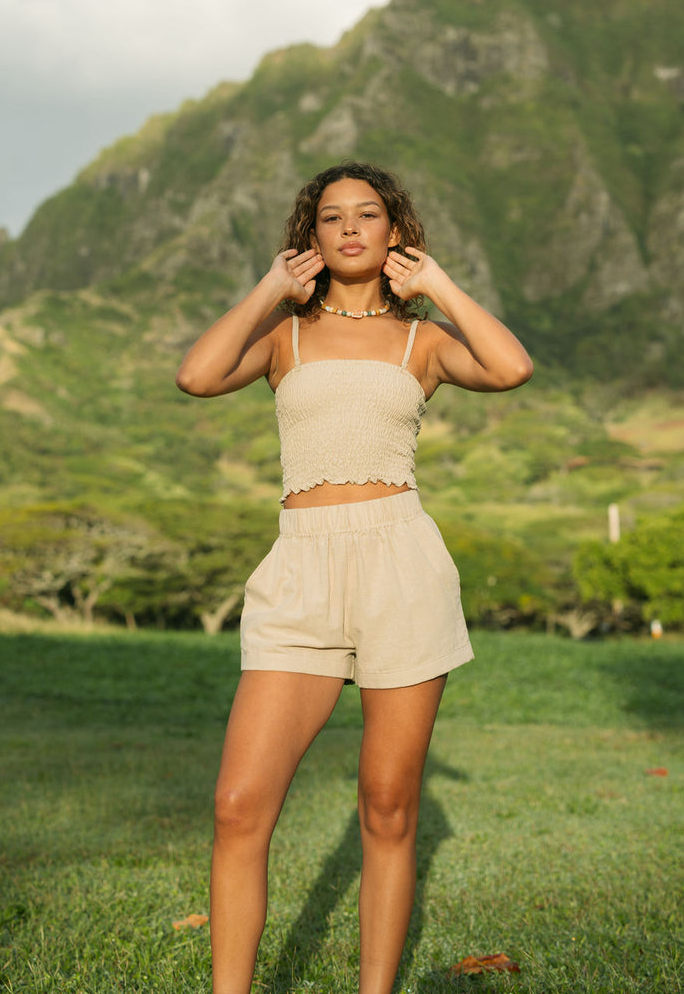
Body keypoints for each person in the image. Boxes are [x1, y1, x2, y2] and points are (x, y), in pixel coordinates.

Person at [176, 160, 533, 994]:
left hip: (399, 567)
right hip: (300, 569)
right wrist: (270, 288)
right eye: (329, 216)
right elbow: (194, 376)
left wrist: (437, 283)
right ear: (309, 237)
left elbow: (512, 366)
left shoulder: (424, 342)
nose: (347, 227)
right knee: (238, 804)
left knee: (387, 806)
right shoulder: (282, 337)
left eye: (366, 214)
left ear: (392, 230)